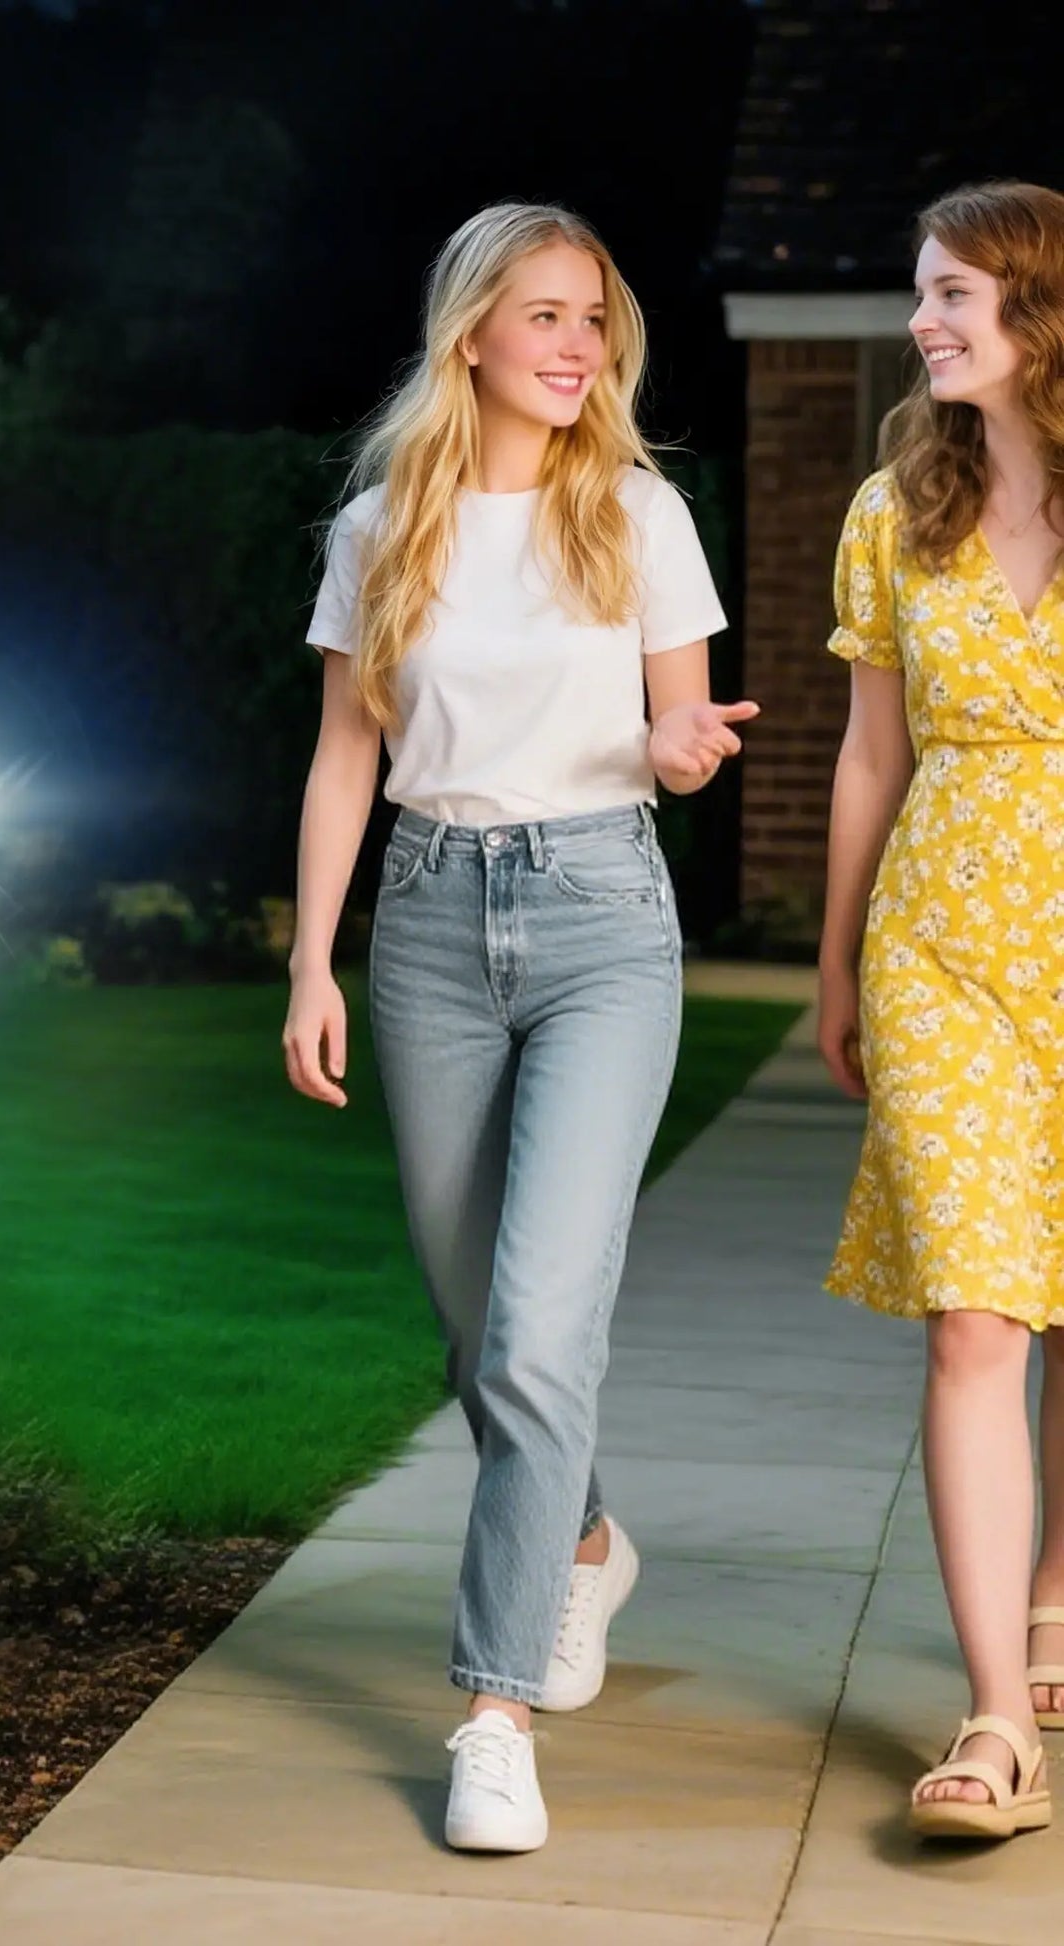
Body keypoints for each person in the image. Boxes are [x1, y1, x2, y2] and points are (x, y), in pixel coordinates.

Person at [283, 201, 747, 1853]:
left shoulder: (634, 509)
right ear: (469, 330)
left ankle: (492, 1717)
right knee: (477, 1322)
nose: (573, 345)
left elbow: (677, 722)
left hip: (600, 918)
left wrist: (679, 751)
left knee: (542, 1331)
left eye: (591, 318)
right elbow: (346, 754)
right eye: (542, 314)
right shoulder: (379, 528)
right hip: (422, 924)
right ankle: (582, 1540)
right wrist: (311, 962)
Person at [818, 178, 1064, 1844]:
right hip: (942, 952)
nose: (921, 320)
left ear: (1036, 313)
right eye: (923, 292)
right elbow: (867, 753)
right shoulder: (891, 508)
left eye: (953, 294)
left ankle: (1055, 1594)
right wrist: (837, 957)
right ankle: (991, 1716)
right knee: (976, 1314)